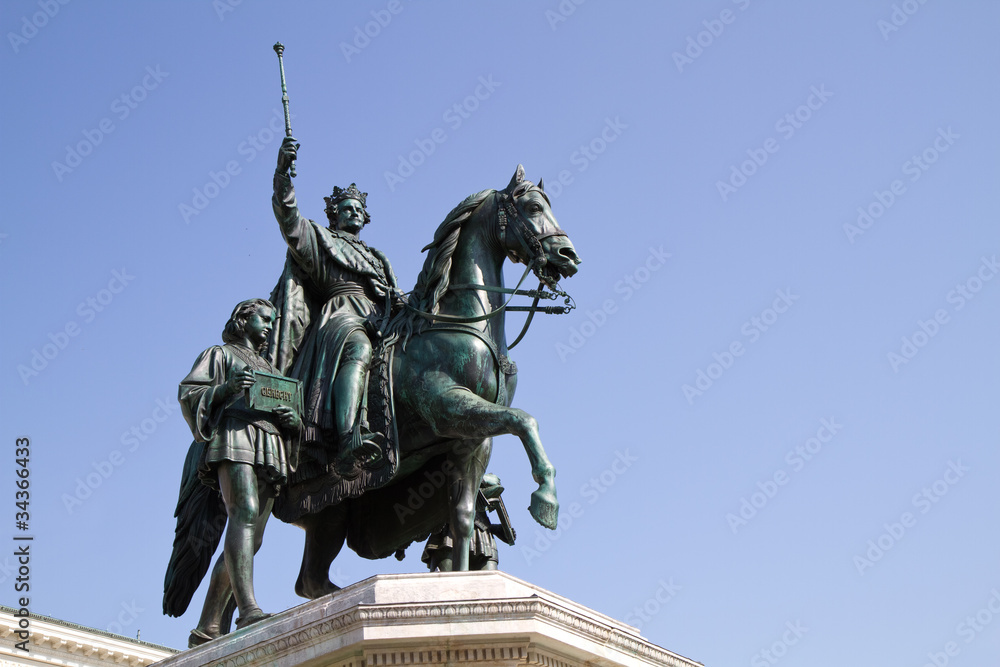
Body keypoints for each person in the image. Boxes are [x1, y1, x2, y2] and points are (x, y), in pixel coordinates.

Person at [269, 135, 402, 476]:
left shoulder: (378, 257)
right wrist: (283, 174)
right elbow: (289, 220)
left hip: (381, 317)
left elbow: (392, 295)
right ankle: (348, 440)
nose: (354, 213)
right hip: (342, 316)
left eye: (359, 209)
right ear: (334, 215)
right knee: (358, 347)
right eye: (347, 209)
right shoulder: (320, 239)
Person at [178, 298, 300, 642]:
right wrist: (226, 389)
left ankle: (207, 626)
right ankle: (248, 610)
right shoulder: (220, 354)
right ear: (243, 320)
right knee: (243, 512)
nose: (270, 325)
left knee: (253, 537)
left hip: (270, 442)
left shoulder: (271, 370)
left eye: (273, 320)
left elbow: (290, 409)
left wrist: (295, 423)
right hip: (236, 435)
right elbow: (190, 392)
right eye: (264, 318)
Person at [421, 473, 516, 571]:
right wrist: (480, 479)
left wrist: (495, 528)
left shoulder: (487, 477)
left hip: (481, 535)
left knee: (489, 581)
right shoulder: (441, 473)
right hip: (449, 532)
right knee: (443, 580)